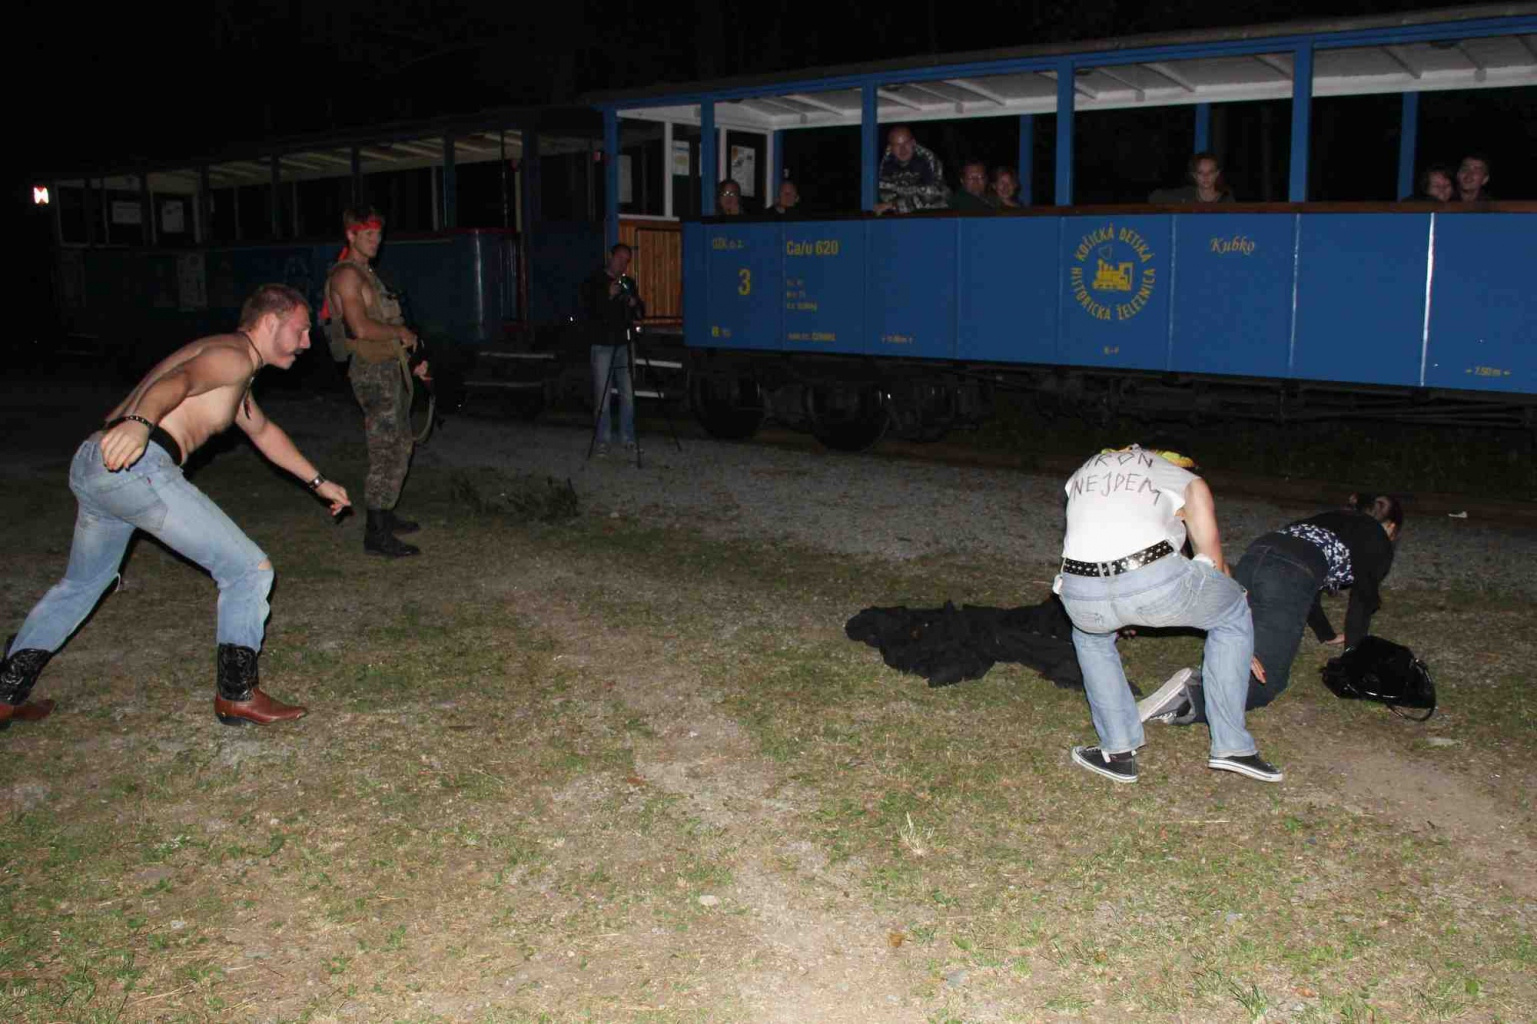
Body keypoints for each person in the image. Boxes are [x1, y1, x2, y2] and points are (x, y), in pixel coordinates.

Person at [0, 285, 351, 731]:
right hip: (137, 465)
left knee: (82, 585)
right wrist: (140, 424)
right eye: (300, 330)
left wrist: (319, 482)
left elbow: (263, 432)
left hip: (96, 463)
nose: (306, 341)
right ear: (269, 322)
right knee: (249, 570)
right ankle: (237, 693)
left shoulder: (231, 367)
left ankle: (6, 694)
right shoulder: (234, 356)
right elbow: (178, 382)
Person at [1056, 445, 1281, 784]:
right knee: (1233, 609)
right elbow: (1213, 561)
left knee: (1090, 638)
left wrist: (1120, 606)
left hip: (1078, 591)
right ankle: (1233, 747)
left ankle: (1117, 752)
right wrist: (1238, 638)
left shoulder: (1087, 468)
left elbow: (1099, 538)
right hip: (1150, 579)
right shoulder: (1186, 480)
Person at [1140, 495, 1404, 728]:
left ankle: (1200, 682)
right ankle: (1189, 699)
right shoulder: (1378, 538)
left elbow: (1312, 584)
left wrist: (1326, 634)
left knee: (1240, 644)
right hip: (1287, 575)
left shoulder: (1336, 518)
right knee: (1267, 682)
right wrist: (1354, 660)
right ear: (1391, 527)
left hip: (1255, 557)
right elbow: (1362, 600)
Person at [323, 207, 432, 558]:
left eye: (378, 234)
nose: (376, 240)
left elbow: (384, 324)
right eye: (368, 234)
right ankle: (376, 532)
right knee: (386, 448)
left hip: (388, 366)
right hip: (371, 371)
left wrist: (411, 361)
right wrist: (401, 332)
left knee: (400, 444)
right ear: (351, 235)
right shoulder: (346, 276)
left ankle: (385, 513)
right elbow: (361, 328)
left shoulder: (368, 274)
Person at [580, 243, 644, 455]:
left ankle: (628, 438)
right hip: (602, 345)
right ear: (610, 256)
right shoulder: (594, 281)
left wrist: (635, 304)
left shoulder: (628, 283)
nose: (622, 264)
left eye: (626, 261)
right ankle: (603, 440)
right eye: (619, 258)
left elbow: (640, 311)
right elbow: (588, 310)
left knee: (627, 394)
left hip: (624, 344)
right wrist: (607, 295)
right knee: (603, 395)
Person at [873, 126, 949, 215]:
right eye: (897, 145)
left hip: (935, 212)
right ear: (890, 147)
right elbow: (886, 193)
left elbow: (932, 194)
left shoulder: (927, 159)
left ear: (913, 142)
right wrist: (895, 205)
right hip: (902, 214)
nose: (903, 149)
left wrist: (895, 205)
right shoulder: (886, 163)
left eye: (906, 143)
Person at [1149, 151, 1234, 204]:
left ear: (1217, 174)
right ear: (1194, 175)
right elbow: (1155, 197)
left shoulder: (1226, 200)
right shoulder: (1187, 194)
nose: (1206, 177)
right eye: (1200, 172)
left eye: (1210, 172)